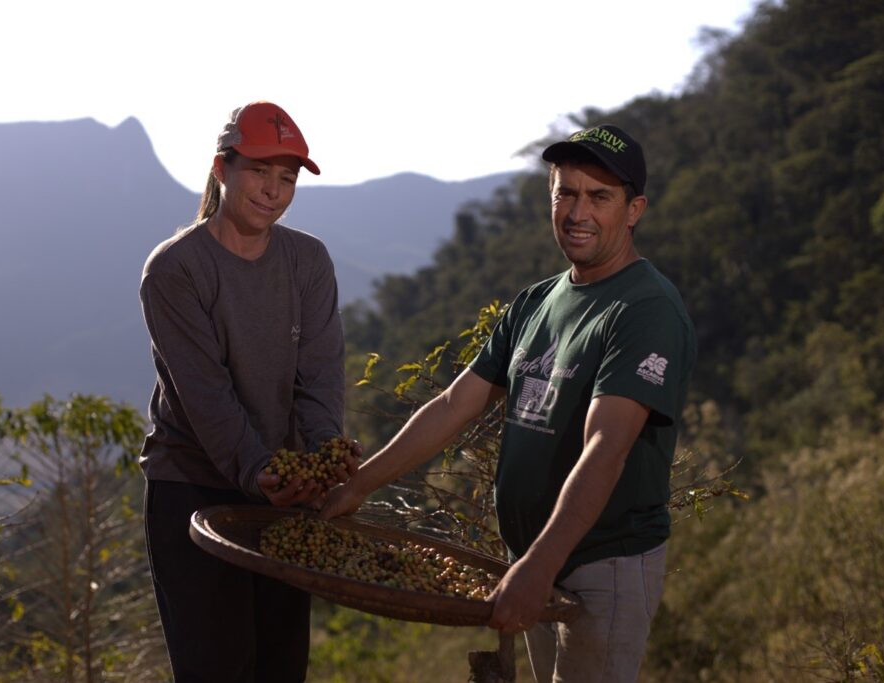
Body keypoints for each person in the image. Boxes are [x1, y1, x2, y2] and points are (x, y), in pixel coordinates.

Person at [321, 124, 696, 682]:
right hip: (535, 558)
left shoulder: (644, 309)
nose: (577, 212)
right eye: (565, 193)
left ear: (634, 209)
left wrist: (539, 566)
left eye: (599, 197)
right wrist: (356, 486)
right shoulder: (537, 302)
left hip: (603, 564)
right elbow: (453, 404)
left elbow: (606, 447)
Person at [139, 101, 352, 682]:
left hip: (282, 490)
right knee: (218, 667)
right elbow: (205, 394)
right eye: (259, 170)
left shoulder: (307, 260)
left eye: (287, 178)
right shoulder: (176, 269)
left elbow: (321, 374)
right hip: (194, 488)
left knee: (281, 666)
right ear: (221, 169)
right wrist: (260, 470)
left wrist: (325, 448)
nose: (273, 190)